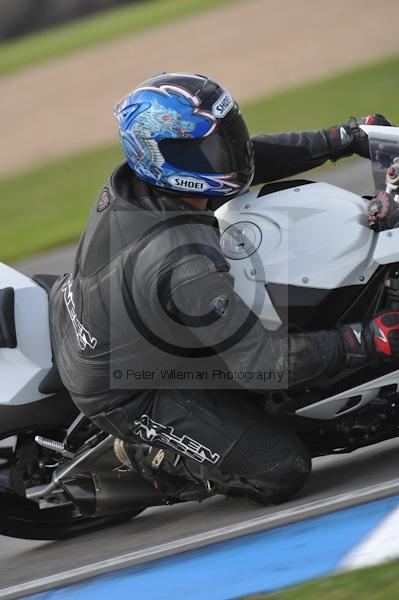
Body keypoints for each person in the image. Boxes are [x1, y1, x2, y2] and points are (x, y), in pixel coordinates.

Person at [50, 72, 397, 505]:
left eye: (228, 135)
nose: (227, 152)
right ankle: (147, 454)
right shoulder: (184, 262)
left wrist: (341, 138)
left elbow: (243, 164)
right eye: (210, 147)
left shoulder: (143, 180)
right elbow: (263, 365)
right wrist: (367, 340)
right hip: (132, 387)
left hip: (108, 314)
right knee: (281, 467)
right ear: (164, 156)